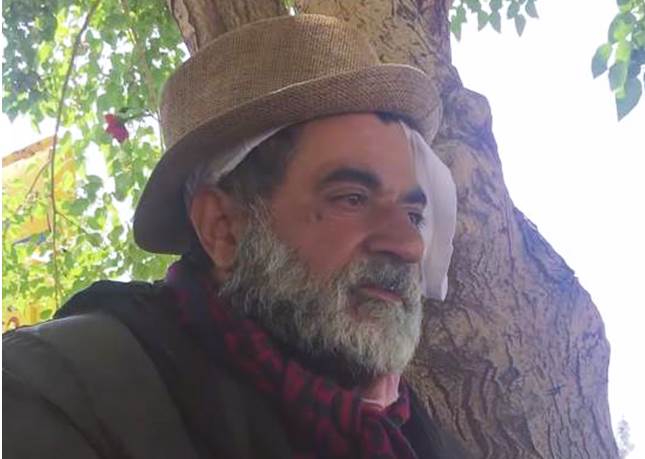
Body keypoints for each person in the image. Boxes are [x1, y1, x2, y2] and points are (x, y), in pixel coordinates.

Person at [3, 13, 461, 458]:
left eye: (413, 215)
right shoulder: (59, 390)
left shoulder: (417, 437)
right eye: (353, 199)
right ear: (221, 227)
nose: (408, 245)